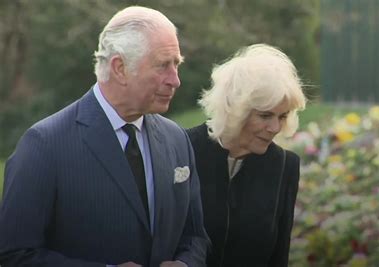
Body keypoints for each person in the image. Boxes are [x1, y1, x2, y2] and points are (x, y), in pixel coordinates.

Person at [0, 6, 208, 267]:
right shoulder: (44, 145)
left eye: (177, 64)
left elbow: (195, 237)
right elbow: (15, 255)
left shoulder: (176, 139)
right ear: (119, 68)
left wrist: (185, 263)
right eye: (163, 65)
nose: (175, 80)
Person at [186, 44, 307, 267]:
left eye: (282, 116)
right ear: (234, 109)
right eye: (265, 115)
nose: (275, 128)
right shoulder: (182, 149)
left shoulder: (284, 166)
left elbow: (279, 256)